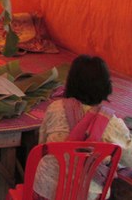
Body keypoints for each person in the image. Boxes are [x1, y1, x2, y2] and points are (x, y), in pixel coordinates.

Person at [33, 55, 132, 200]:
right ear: (107, 86)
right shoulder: (113, 124)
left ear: (71, 82)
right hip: (87, 196)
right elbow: (129, 160)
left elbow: (41, 145)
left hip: (44, 192)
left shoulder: (54, 108)